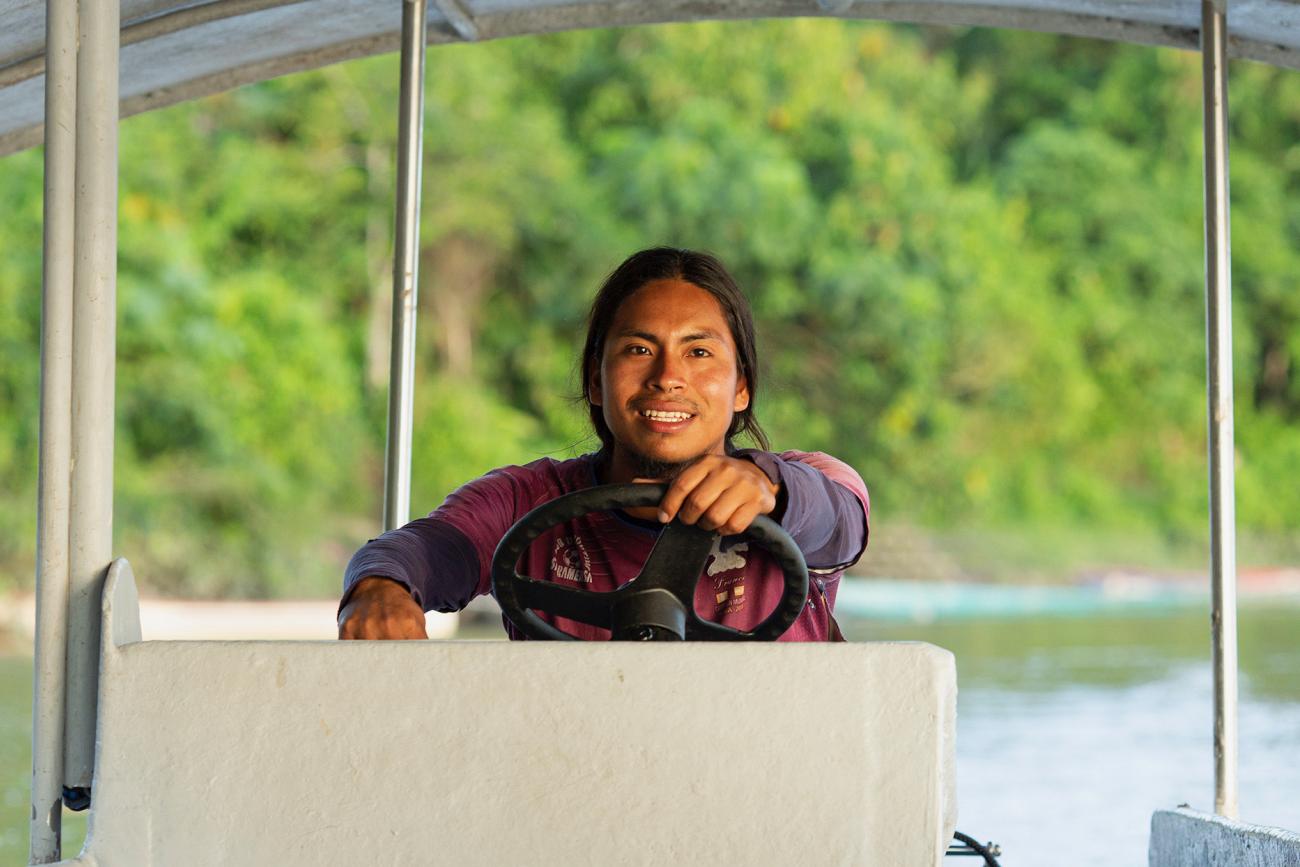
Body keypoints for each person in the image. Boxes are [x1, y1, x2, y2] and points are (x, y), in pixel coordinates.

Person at [337, 247, 868, 641]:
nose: (668, 377)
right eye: (639, 349)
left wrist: (771, 489)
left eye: (699, 353)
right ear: (596, 379)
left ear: (742, 387)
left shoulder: (805, 485)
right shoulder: (524, 502)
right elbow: (424, 548)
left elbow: (841, 524)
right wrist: (382, 586)